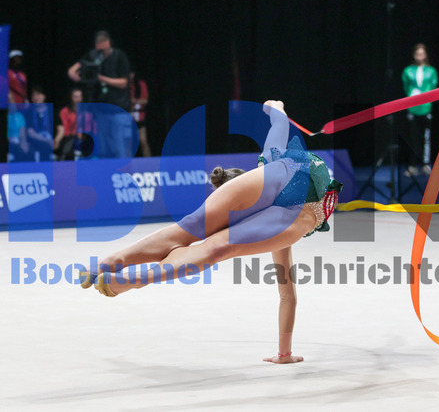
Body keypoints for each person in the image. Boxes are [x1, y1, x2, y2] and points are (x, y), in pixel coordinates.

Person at [80, 100, 342, 364]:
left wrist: (274, 107)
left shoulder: (271, 158)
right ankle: (133, 279)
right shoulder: (280, 198)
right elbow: (287, 295)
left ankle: (108, 261)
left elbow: (280, 121)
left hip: (282, 177)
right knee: (216, 248)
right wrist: (274, 106)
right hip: (302, 204)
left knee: (189, 227)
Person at [67, 30, 132, 158]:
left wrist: (102, 78)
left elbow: (124, 82)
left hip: (119, 109)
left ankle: (124, 170)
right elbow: (73, 69)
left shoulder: (119, 56)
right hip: (101, 110)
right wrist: (74, 74)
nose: (101, 51)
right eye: (98, 46)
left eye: (102, 46)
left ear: (108, 43)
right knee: (103, 148)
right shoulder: (94, 55)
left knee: (119, 147)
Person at [402, 43, 438, 176]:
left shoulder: (431, 71)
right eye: (417, 53)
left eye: (422, 53)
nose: (419, 56)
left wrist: (426, 100)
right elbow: (406, 86)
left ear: (425, 55)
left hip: (426, 107)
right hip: (412, 108)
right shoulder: (408, 70)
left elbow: (434, 88)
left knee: (426, 137)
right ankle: (412, 166)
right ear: (414, 55)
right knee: (413, 138)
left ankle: (426, 164)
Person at [55, 87, 95, 160]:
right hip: (69, 139)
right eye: (75, 97)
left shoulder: (86, 111)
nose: (78, 99)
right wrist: (77, 134)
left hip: (84, 139)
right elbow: (66, 130)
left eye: (79, 96)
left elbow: (89, 128)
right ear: (70, 98)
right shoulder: (64, 111)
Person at [24, 86, 54, 161]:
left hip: (52, 139)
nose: (36, 97)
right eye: (33, 95)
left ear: (44, 96)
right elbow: (30, 133)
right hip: (36, 140)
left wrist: (57, 140)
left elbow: (60, 128)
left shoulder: (51, 110)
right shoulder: (29, 112)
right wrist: (47, 141)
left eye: (38, 94)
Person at [129, 69, 151, 157]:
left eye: (131, 73)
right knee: (128, 142)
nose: (130, 75)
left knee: (143, 141)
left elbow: (145, 100)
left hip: (140, 117)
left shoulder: (141, 84)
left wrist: (134, 101)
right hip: (128, 118)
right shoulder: (125, 85)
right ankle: (128, 163)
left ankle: (149, 163)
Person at [7, 95, 32, 162]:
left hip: (18, 141)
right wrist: (10, 140)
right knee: (18, 151)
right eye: (9, 100)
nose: (11, 103)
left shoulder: (20, 116)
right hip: (8, 143)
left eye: (12, 100)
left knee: (29, 149)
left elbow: (22, 133)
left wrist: (23, 142)